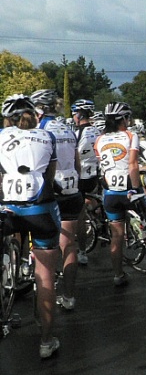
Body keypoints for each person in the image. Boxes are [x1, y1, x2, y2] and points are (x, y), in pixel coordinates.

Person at [0, 94, 62, 358]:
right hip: (41, 210)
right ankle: (46, 341)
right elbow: (49, 174)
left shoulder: (1, 136)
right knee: (46, 275)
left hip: (8, 208)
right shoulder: (46, 136)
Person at [94, 102, 146, 286]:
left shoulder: (99, 139)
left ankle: (118, 275)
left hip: (110, 193)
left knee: (117, 235)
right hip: (129, 190)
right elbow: (133, 165)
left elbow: (105, 167)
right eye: (128, 117)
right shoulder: (130, 136)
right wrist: (137, 190)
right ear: (123, 119)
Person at [32, 89, 84, 311]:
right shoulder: (68, 129)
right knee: (69, 245)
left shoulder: (41, 130)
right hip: (72, 191)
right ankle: (69, 296)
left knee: (46, 247)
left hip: (51, 191)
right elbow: (76, 162)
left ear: (40, 110)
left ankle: (45, 291)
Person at [72, 99, 101, 265]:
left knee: (79, 216)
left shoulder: (77, 133)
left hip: (80, 176)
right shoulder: (97, 131)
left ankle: (82, 252)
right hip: (94, 174)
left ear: (79, 114)